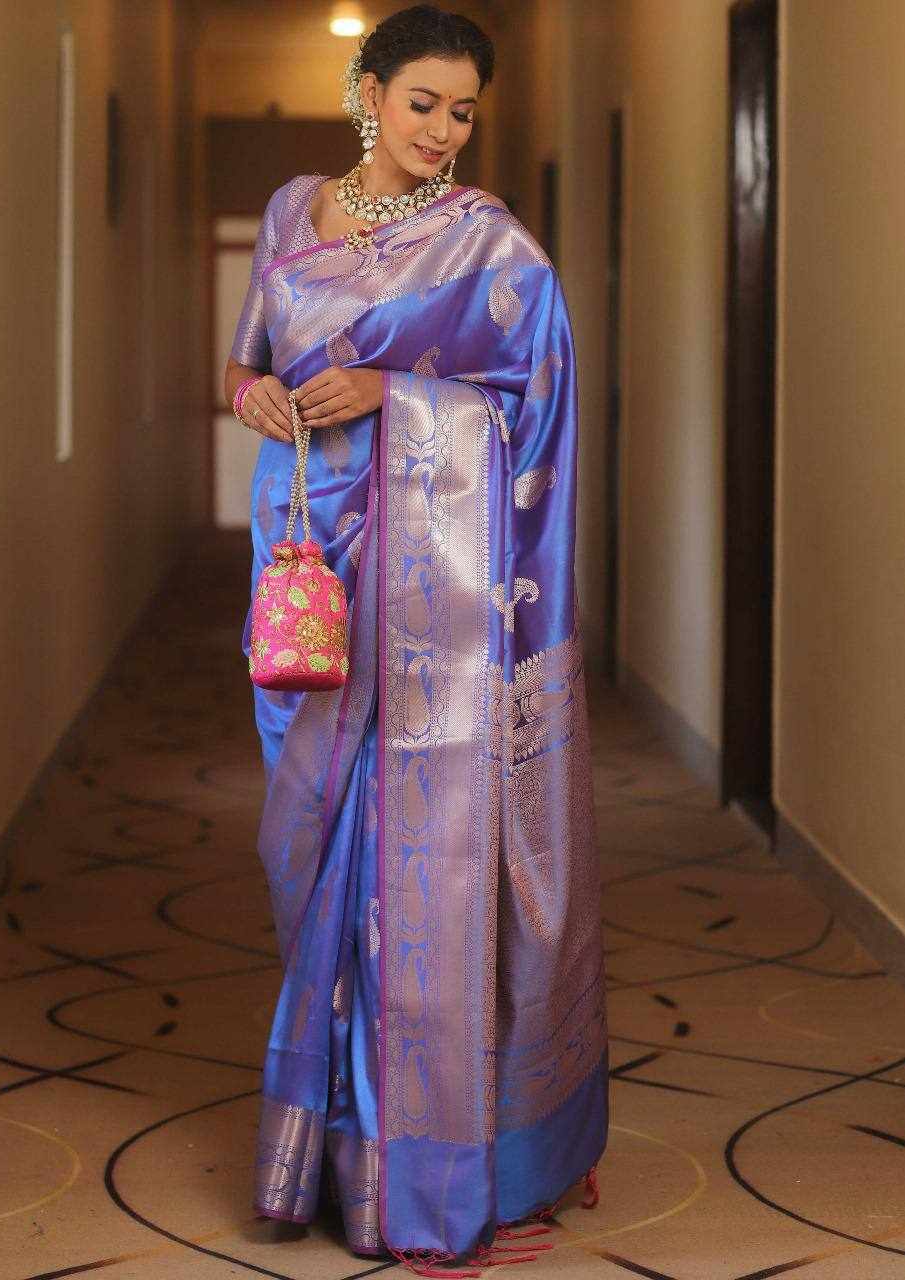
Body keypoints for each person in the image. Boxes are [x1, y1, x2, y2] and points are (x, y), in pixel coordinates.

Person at [223, 6, 608, 1275]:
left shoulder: (492, 246)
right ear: (369, 91)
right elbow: (241, 365)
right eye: (422, 102)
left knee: (415, 859)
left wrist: (398, 391)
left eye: (463, 111)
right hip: (305, 561)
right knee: (311, 848)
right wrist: (254, 392)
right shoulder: (291, 214)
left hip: (431, 593)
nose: (441, 130)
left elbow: (535, 405)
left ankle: (416, 1174)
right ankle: (327, 1145)